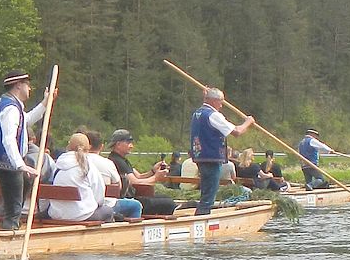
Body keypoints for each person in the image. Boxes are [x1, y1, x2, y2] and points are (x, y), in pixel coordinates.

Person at [0, 70, 53, 231]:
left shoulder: (10, 104)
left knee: (26, 180)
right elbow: (8, 139)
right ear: (18, 86)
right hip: (4, 162)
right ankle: (10, 229)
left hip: (3, 160)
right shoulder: (10, 109)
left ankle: (12, 221)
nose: (30, 88)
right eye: (27, 85)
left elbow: (26, 120)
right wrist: (20, 165)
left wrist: (45, 103)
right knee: (14, 206)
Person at [47, 132, 143, 222]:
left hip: (57, 214)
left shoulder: (57, 165)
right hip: (82, 215)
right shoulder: (88, 166)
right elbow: (99, 196)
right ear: (87, 148)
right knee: (108, 211)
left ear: (68, 146)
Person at [189, 86, 255, 215]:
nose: (221, 105)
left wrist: (206, 95)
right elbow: (237, 131)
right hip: (211, 157)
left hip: (200, 156)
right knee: (210, 192)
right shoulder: (213, 115)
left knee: (206, 190)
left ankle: (202, 213)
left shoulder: (197, 113)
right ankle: (202, 218)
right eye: (221, 102)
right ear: (213, 101)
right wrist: (248, 122)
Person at [106, 129, 178, 217]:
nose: (131, 146)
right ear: (118, 144)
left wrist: (153, 171)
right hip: (128, 199)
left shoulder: (122, 160)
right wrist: (156, 178)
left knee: (165, 198)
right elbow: (135, 182)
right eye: (128, 143)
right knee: (168, 203)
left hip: (132, 197)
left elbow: (139, 176)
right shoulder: (116, 161)